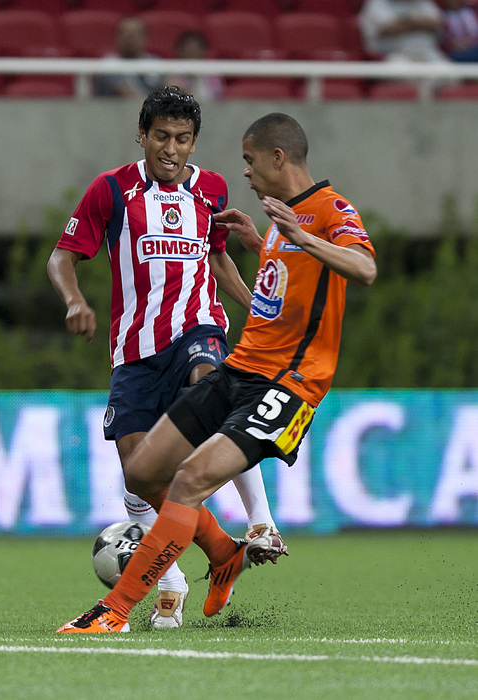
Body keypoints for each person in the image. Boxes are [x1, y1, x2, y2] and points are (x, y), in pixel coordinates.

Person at [56, 112, 377, 634]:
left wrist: (301, 236)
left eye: (250, 160)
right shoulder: (279, 220)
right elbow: (280, 296)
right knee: (142, 474)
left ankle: (115, 610)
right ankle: (225, 553)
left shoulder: (328, 209)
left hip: (287, 385)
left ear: (277, 158)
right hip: (241, 368)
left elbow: (364, 268)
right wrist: (259, 241)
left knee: (188, 479)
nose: (244, 171)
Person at [47, 88, 287, 630]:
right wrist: (75, 300)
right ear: (142, 135)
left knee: (211, 392)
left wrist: (256, 310)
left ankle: (261, 522)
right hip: (134, 352)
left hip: (198, 329)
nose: (171, 149)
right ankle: (205, 561)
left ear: (194, 142)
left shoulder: (212, 188)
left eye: (182, 138)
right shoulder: (111, 190)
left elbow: (217, 260)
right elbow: (61, 258)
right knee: (141, 477)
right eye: (161, 136)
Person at [94, 16, 163, 98]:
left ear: (145, 38)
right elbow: (126, 93)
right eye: (126, 34)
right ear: (117, 37)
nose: (130, 39)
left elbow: (169, 84)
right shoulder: (108, 64)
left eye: (134, 35)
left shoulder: (155, 62)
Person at [359, 0, 448, 62]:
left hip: (428, 54)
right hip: (393, 56)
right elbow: (391, 29)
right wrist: (420, 23)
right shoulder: (377, 3)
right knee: (404, 75)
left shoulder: (424, 3)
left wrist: (406, 22)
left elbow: (435, 24)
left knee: (449, 74)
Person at [165, 30, 224, 101]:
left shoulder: (212, 73)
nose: (192, 52)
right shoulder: (171, 71)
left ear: (204, 51)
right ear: (179, 50)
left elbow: (215, 97)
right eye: (188, 48)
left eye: (196, 48)